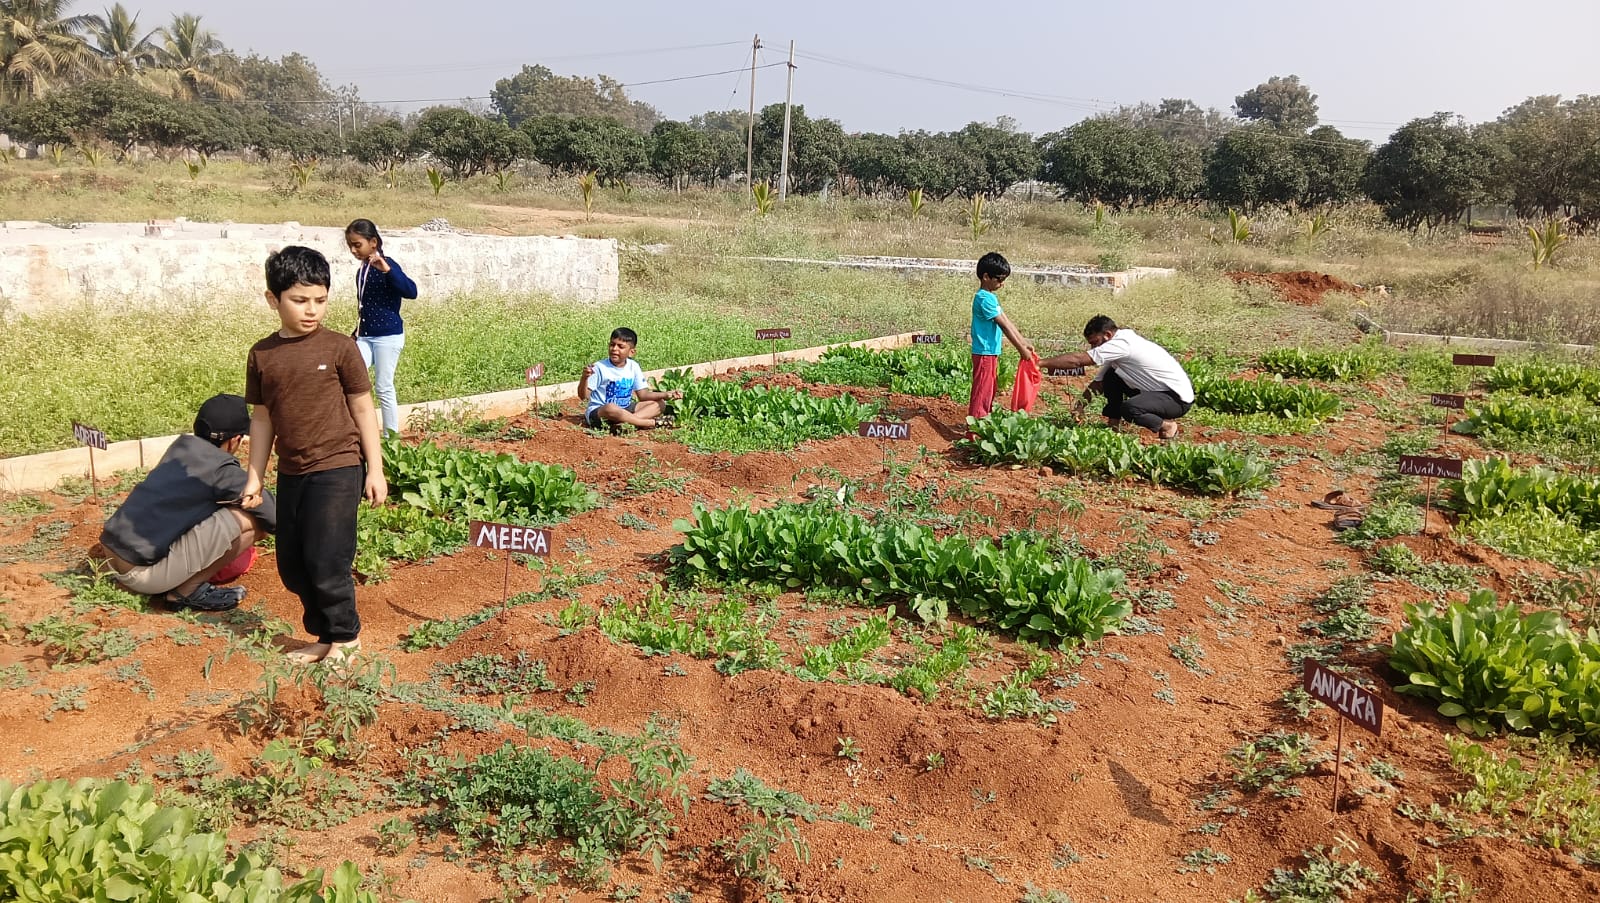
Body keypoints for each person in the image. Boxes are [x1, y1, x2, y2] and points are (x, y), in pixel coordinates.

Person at [240, 246, 387, 666]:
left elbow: (362, 407)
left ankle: (346, 638)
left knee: (328, 556)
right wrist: (255, 476)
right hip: (292, 471)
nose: (311, 311)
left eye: (320, 301)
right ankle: (326, 636)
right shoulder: (262, 355)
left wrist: (374, 470)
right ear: (274, 300)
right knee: (292, 562)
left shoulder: (340, 348)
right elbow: (263, 419)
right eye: (299, 300)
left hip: (339, 465)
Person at [96, 395, 276, 612]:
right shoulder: (223, 470)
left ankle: (169, 578)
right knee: (251, 520)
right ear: (234, 440)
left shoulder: (179, 447)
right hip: (142, 574)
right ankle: (186, 592)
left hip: (110, 556)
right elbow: (274, 517)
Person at [1038, 315, 1194, 440]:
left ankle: (1166, 426)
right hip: (1156, 393)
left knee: (1131, 408)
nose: (1094, 348)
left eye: (1095, 343)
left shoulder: (1121, 344)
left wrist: (1040, 363)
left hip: (1176, 399)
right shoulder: (1118, 346)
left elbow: (1078, 361)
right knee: (1111, 376)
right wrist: (1080, 406)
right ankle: (1114, 425)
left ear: (1107, 335)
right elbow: (1098, 384)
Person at [345, 218, 418, 436]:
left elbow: (411, 291)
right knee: (350, 378)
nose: (353, 250)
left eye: (357, 244)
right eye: (350, 245)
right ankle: (354, 431)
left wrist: (387, 270)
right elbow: (364, 306)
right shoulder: (362, 271)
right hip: (365, 337)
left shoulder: (388, 264)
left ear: (373, 242)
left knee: (383, 386)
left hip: (387, 336)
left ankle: (390, 436)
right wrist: (356, 333)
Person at [968, 252, 1036, 427]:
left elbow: (1006, 320)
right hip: (984, 352)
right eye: (999, 279)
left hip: (990, 352)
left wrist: (1023, 341)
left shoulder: (990, 297)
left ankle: (982, 424)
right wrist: (1020, 349)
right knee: (982, 392)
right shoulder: (984, 298)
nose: (1001, 284)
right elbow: (1003, 326)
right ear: (986, 277)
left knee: (989, 390)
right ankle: (975, 429)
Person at [580, 327, 682, 430]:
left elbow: (643, 395)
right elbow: (584, 397)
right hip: (601, 413)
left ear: (631, 352)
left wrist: (666, 394)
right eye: (612, 344)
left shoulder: (633, 366)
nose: (614, 349)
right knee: (610, 407)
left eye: (620, 346)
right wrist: (584, 378)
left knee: (659, 404)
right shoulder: (599, 367)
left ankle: (624, 425)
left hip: (625, 409)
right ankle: (649, 423)